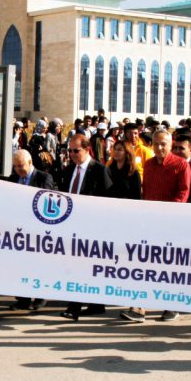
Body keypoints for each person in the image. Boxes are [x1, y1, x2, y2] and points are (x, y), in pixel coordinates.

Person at [120, 129, 190, 323]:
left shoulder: (181, 165)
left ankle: (172, 305)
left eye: (163, 144)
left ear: (170, 144)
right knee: (144, 264)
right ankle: (139, 307)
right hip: (149, 223)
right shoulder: (149, 164)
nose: (159, 148)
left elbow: (183, 194)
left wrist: (165, 214)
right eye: (156, 144)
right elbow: (146, 192)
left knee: (169, 267)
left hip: (171, 224)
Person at [59, 134, 112, 321]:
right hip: (71, 227)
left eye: (76, 150)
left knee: (82, 267)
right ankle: (96, 305)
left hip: (92, 228)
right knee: (77, 266)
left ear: (87, 149)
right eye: (70, 150)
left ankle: (73, 307)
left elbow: (108, 199)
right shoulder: (69, 170)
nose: (72, 154)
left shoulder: (99, 170)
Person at [7, 149, 56, 311]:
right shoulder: (13, 179)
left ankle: (40, 296)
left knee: (39, 265)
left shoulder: (44, 178)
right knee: (20, 265)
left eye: (20, 166)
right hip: (19, 230)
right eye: (15, 166)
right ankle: (23, 299)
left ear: (30, 163)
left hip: (38, 230)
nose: (18, 169)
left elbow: (48, 202)